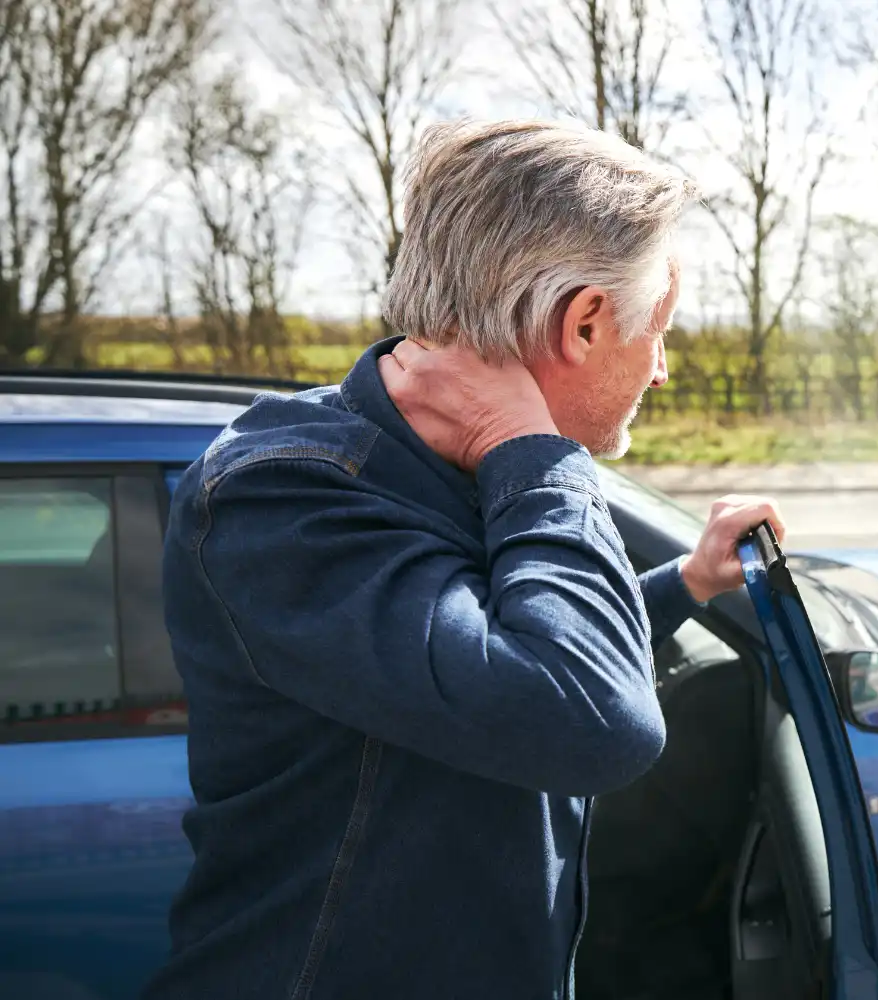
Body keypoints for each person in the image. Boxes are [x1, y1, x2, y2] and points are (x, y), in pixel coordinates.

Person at [143, 119, 786, 1000]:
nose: (663, 370)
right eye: (659, 331)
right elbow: (591, 719)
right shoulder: (283, 497)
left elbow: (495, 649)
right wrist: (534, 448)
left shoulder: (440, 462)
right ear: (587, 323)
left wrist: (682, 582)